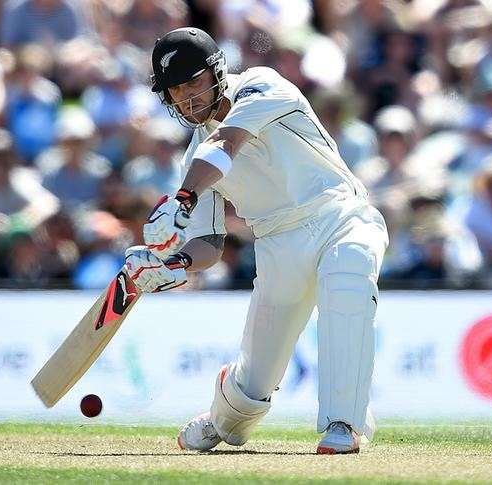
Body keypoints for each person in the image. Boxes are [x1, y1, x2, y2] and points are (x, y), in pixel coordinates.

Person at [123, 28, 388, 454]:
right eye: (175, 90)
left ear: (217, 72)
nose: (188, 98)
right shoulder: (194, 159)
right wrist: (174, 266)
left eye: (194, 82)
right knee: (253, 384)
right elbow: (208, 243)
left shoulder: (261, 85)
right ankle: (223, 415)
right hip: (277, 244)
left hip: (340, 213)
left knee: (349, 279)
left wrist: (183, 199)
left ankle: (344, 422)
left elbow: (228, 141)